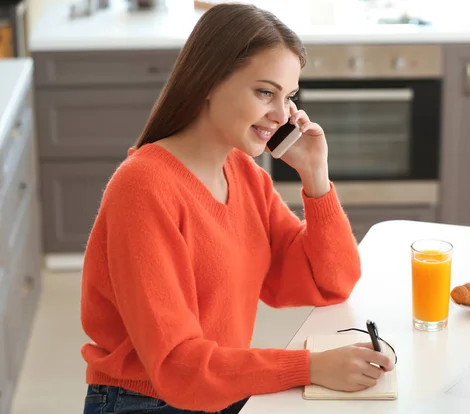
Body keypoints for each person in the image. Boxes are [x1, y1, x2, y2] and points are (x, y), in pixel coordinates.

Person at [80, 3, 394, 414]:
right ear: (207, 81)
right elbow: (176, 365)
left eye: (288, 97)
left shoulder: (243, 174)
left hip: (215, 389)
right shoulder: (143, 188)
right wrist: (309, 367)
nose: (282, 116)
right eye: (265, 92)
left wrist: (316, 177)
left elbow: (329, 282)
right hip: (148, 400)